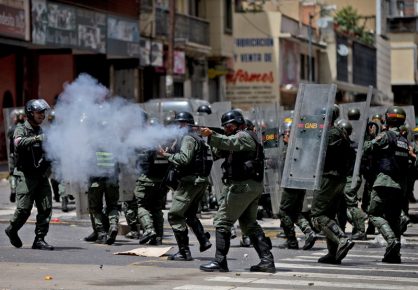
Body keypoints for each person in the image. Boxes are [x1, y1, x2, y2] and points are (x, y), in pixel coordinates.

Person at [199, 110, 275, 273]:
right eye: (225, 127)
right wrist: (212, 138)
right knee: (249, 224)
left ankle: (220, 261)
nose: (227, 129)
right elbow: (220, 152)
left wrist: (212, 135)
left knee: (222, 221)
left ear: (240, 125)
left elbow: (230, 143)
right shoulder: (237, 137)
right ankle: (267, 261)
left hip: (243, 187)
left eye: (230, 126)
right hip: (248, 187)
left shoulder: (244, 136)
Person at [158, 112, 213, 260]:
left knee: (175, 215)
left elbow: (184, 160)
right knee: (189, 214)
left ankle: (184, 252)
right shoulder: (197, 138)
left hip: (190, 182)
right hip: (199, 181)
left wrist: (167, 155)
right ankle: (204, 240)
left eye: (178, 124)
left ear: (184, 124)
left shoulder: (188, 138)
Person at [5, 99, 54, 250]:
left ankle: (39, 239)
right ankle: (12, 230)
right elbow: (18, 143)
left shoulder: (42, 130)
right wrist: (37, 139)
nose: (42, 115)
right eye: (39, 112)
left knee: (46, 207)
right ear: (30, 113)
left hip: (41, 175)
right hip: (26, 176)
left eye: (43, 112)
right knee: (24, 209)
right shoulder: (21, 129)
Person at [363, 106, 410, 263]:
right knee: (393, 218)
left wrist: (369, 136)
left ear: (388, 119)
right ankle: (393, 255)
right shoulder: (404, 140)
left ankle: (391, 241)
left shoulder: (385, 135)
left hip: (384, 181)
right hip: (399, 186)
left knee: (374, 213)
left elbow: (367, 148)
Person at [311, 105, 355, 264]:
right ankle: (333, 254)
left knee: (318, 215)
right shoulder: (339, 133)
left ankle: (342, 239)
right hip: (338, 179)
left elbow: (317, 152)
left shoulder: (330, 133)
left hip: (328, 178)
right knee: (329, 216)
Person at [278, 117, 317, 250]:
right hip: (300, 182)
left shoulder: (293, 149)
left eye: (285, 134)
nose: (284, 136)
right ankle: (309, 232)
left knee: (284, 211)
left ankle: (292, 241)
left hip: (292, 183)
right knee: (294, 212)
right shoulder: (301, 146)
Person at [336, 120, 367, 240]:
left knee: (351, 205)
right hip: (353, 177)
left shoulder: (344, 145)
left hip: (349, 178)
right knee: (341, 206)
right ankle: (340, 230)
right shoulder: (354, 145)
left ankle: (360, 231)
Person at [87, 142, 120, 245]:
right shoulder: (113, 146)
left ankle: (101, 233)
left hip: (96, 182)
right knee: (113, 206)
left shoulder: (93, 146)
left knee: (95, 208)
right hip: (112, 181)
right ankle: (113, 225)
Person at [7, 108, 26, 203]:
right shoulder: (26, 127)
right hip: (24, 156)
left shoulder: (12, 128)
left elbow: (9, 136)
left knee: (12, 174)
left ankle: (13, 189)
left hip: (13, 156)